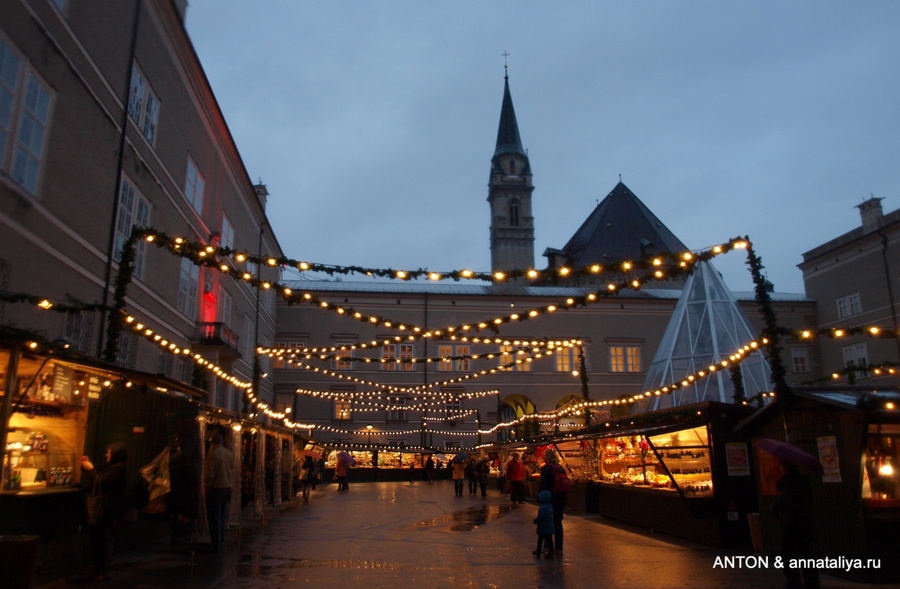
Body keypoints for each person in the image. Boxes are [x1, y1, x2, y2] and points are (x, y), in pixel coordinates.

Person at [81, 442, 128, 582]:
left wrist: (90, 469)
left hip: (107, 511)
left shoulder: (117, 469)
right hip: (104, 511)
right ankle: (99, 570)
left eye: (109, 452)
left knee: (103, 542)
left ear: (116, 454)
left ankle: (103, 571)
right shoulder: (112, 467)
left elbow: (100, 482)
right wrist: (86, 467)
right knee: (99, 541)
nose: (106, 455)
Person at [772, 459, 819, 589]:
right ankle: (810, 583)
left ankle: (794, 583)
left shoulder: (790, 485)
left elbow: (789, 508)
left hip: (793, 526)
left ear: (784, 468)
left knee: (787, 554)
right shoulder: (800, 482)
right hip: (804, 526)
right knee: (805, 555)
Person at [204, 432, 235, 554]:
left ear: (213, 443)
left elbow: (209, 474)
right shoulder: (229, 454)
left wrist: (207, 486)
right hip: (227, 488)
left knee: (214, 517)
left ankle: (216, 544)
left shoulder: (213, 454)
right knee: (222, 516)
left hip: (216, 489)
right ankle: (221, 542)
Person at [540, 449, 568, 554]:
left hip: (550, 499)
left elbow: (543, 485)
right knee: (558, 522)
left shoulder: (546, 469)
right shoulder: (561, 468)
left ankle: (547, 546)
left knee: (547, 522)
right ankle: (559, 548)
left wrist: (541, 498)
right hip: (561, 499)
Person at [533, 490, 555, 559]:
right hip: (549, 527)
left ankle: (538, 551)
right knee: (549, 540)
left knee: (540, 540)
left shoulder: (542, 508)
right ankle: (551, 552)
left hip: (543, 527)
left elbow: (541, 517)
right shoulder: (550, 506)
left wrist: (536, 521)